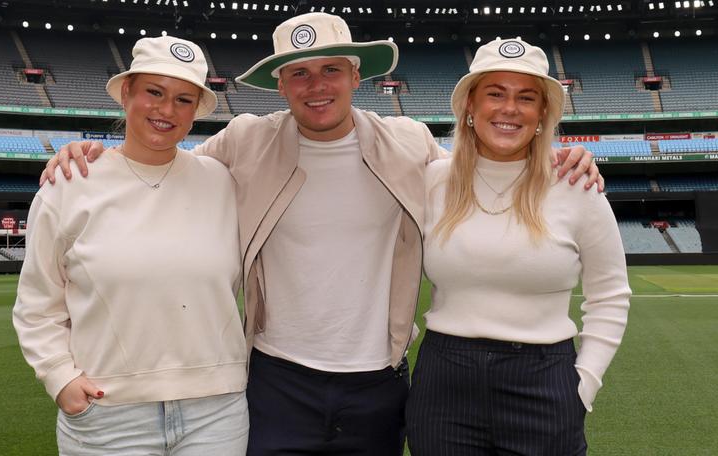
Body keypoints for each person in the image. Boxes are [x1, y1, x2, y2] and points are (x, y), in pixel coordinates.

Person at [40, 13, 602, 455]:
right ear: (280, 84)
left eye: (331, 69)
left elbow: (482, 169)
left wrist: (554, 155)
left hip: (378, 382)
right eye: (299, 73)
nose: (316, 85)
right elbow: (160, 165)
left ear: (357, 75)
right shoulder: (243, 141)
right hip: (275, 380)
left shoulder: (408, 143)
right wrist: (95, 154)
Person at [13, 36, 248, 455]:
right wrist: (58, 376)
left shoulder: (222, 181)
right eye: (154, 93)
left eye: (183, 99)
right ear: (127, 93)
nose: (166, 110)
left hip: (217, 412)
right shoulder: (70, 184)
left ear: (196, 111)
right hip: (108, 414)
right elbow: (37, 301)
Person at [405, 38, 631, 455]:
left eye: (526, 98)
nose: (509, 109)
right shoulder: (431, 180)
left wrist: (583, 386)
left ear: (542, 113)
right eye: (495, 93)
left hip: (545, 380)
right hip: (444, 383)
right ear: (470, 106)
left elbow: (610, 296)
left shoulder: (577, 186)